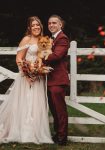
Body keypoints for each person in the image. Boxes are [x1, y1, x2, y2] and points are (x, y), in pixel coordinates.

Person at [0, 16, 53, 144]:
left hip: (38, 77)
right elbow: (19, 59)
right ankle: (22, 132)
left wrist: (40, 69)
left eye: (38, 25)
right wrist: (27, 73)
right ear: (29, 27)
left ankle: (35, 133)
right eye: (33, 25)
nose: (36, 27)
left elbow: (45, 56)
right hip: (26, 78)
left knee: (36, 105)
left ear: (41, 26)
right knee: (25, 103)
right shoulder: (26, 39)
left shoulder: (43, 39)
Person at [44, 15, 70, 146]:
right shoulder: (49, 39)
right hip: (50, 80)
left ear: (60, 25)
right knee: (54, 110)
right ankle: (57, 134)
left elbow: (56, 56)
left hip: (58, 80)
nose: (51, 25)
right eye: (49, 23)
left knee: (60, 110)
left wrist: (39, 58)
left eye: (54, 23)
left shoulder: (63, 38)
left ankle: (62, 138)